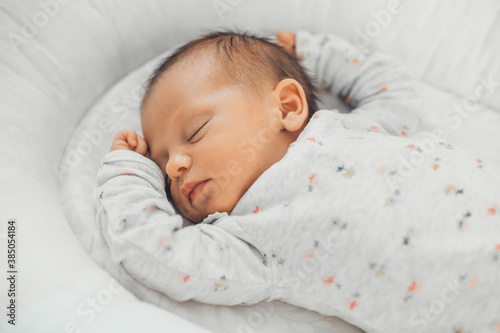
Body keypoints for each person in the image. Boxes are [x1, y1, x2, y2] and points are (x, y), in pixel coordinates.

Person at [96, 30, 500, 333]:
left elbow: (395, 92)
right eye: (163, 164)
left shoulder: (351, 130)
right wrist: (131, 172)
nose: (175, 167)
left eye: (196, 131)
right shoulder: (248, 239)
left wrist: (310, 53)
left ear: (287, 107)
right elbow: (155, 252)